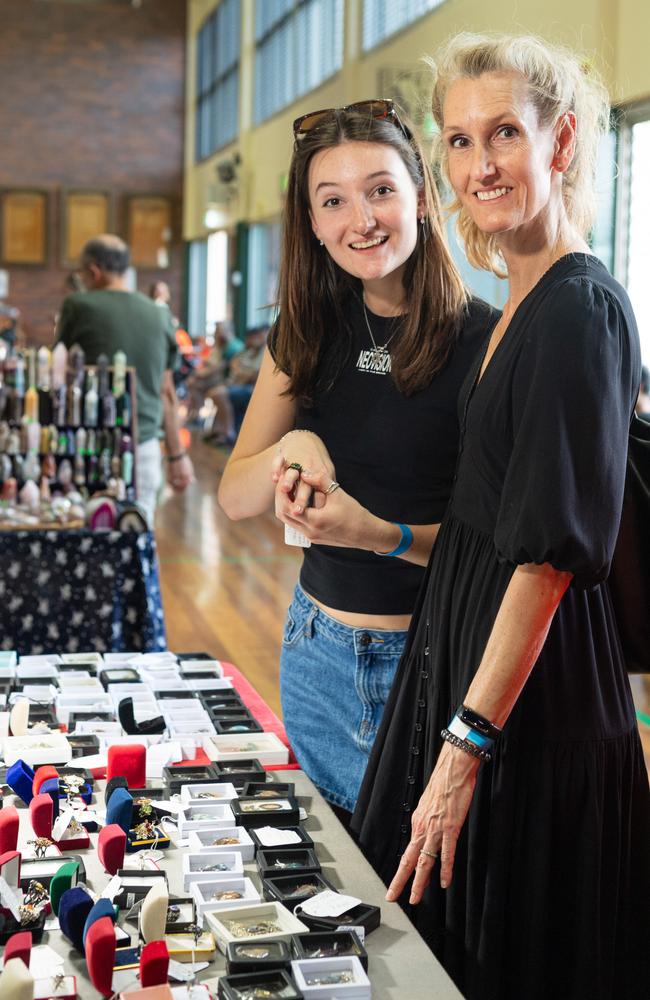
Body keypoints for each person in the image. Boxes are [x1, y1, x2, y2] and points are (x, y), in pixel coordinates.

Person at [352, 34, 650, 1000]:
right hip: (476, 675)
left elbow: (547, 559)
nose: (480, 165)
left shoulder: (578, 309)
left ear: (560, 142)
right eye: (460, 139)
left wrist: (466, 747)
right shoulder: (514, 300)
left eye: (506, 134)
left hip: (531, 706)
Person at [218, 100, 497, 818]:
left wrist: (377, 534)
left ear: (422, 197)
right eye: (332, 200)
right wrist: (292, 446)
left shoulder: (488, 343)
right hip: (315, 655)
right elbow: (234, 496)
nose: (361, 220)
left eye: (380, 190)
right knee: (331, 893)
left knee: (422, 906)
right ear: (311, 223)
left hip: (433, 665)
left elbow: (494, 555)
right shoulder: (308, 330)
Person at [56, 234, 194, 525]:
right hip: (143, 447)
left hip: (89, 444)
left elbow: (60, 372)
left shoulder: (77, 306)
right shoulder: (159, 316)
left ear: (93, 271)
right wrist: (177, 456)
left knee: (84, 538)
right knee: (137, 537)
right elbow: (167, 392)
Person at [208, 324, 269, 444]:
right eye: (252, 337)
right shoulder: (248, 351)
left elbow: (255, 375)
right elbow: (234, 366)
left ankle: (228, 432)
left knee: (217, 393)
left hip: (252, 388)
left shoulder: (265, 351)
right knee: (214, 391)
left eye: (258, 336)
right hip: (239, 384)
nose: (253, 339)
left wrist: (242, 373)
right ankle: (219, 430)